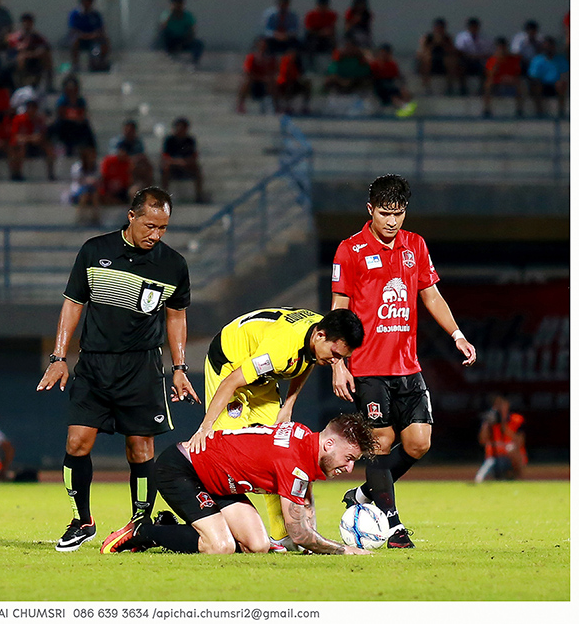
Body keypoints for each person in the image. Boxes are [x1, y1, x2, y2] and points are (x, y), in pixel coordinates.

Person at [36, 187, 198, 552]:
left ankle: (140, 524)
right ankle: (82, 520)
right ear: (132, 216)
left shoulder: (173, 264)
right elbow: (73, 304)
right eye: (150, 226)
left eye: (163, 228)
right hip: (94, 363)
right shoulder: (95, 251)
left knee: (140, 449)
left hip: (142, 367)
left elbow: (176, 317)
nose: (156, 234)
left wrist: (179, 367)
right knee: (76, 443)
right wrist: (59, 357)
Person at [331, 173, 477, 549]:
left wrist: (457, 335)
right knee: (380, 442)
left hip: (407, 367)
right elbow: (339, 309)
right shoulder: (350, 250)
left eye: (398, 213)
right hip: (368, 368)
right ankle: (392, 525)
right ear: (370, 210)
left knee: (418, 444)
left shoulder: (415, 245)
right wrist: (338, 362)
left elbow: (431, 295)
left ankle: (364, 494)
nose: (392, 221)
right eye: (385, 213)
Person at [183, 306, 364, 550]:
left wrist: (289, 404)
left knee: (277, 453)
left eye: (341, 357)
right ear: (320, 336)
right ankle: (214, 529)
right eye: (334, 355)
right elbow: (232, 381)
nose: (335, 361)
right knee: (224, 455)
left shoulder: (319, 334)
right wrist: (205, 427)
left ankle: (282, 537)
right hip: (230, 365)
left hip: (263, 378)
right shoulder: (281, 348)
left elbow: (306, 360)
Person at [100, 414, 378, 556]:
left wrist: (312, 539)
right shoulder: (293, 460)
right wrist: (342, 549)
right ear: (328, 444)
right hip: (182, 468)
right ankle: (146, 531)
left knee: (258, 545)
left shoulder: (306, 439)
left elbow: (304, 496)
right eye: (349, 458)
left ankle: (172, 528)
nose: (349, 468)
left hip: (220, 482)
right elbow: (300, 534)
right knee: (219, 546)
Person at [474, 395, 527, 483]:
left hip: (511, 458)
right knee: (480, 479)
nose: (499, 407)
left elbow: (520, 442)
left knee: (512, 449)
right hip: (493, 459)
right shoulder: (490, 422)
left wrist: (503, 425)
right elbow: (482, 441)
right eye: (496, 405)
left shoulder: (516, 419)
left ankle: (518, 478)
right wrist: (486, 424)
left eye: (501, 404)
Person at [9, 99, 55, 181]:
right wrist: (30, 138)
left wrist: (38, 138)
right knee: (21, 146)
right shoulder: (18, 119)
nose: (32, 110)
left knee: (49, 147)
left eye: (34, 108)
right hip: (23, 144)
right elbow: (15, 136)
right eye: (30, 108)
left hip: (36, 144)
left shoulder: (39, 120)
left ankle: (51, 173)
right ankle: (17, 173)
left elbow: (43, 134)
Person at [160, 118, 204, 203]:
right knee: (165, 167)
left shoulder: (190, 140)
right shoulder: (169, 140)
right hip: (172, 165)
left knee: (197, 169)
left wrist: (184, 162)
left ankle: (199, 195)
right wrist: (178, 162)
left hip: (186, 165)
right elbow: (165, 156)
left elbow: (193, 156)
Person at [6, 12, 54, 91]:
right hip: (18, 58)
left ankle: (49, 84)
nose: (27, 24)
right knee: (22, 57)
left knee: (45, 55)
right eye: (25, 22)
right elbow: (17, 47)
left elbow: (46, 46)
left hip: (33, 56)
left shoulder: (36, 35)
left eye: (29, 22)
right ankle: (20, 84)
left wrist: (36, 51)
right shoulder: (16, 35)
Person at [370, 44, 417, 117]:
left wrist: (402, 88)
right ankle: (404, 107)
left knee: (403, 92)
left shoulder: (392, 64)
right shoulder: (374, 64)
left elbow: (397, 77)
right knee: (392, 95)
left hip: (390, 84)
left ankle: (406, 107)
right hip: (380, 87)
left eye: (386, 53)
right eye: (382, 53)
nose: (384, 55)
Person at [68, 0, 110, 71]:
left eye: (88, 1)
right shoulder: (75, 14)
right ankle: (75, 64)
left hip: (93, 39)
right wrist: (84, 36)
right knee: (74, 41)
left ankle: (100, 63)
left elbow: (100, 29)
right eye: (85, 1)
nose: (86, 4)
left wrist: (93, 35)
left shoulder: (95, 15)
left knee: (104, 41)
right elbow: (73, 29)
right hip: (80, 39)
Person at [527, 38, 569, 118]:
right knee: (536, 86)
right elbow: (533, 75)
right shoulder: (537, 60)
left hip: (556, 85)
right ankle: (539, 111)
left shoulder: (561, 59)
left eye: (550, 46)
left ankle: (561, 111)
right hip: (542, 85)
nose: (548, 48)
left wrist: (561, 81)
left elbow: (565, 73)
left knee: (561, 85)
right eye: (546, 46)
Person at [482, 37, 523, 118]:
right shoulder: (492, 59)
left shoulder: (513, 58)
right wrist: (497, 62)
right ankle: (487, 109)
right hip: (496, 80)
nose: (502, 49)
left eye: (503, 47)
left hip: (510, 80)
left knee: (520, 85)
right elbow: (489, 74)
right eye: (500, 47)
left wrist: (509, 78)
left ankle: (519, 109)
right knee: (487, 85)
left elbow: (517, 72)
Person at [159, 0, 203, 67]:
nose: (178, 6)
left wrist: (187, 39)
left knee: (198, 44)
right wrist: (171, 15)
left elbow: (192, 29)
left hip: (183, 39)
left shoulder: (188, 16)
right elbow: (162, 27)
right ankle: (168, 55)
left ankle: (195, 62)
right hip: (170, 40)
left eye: (180, 4)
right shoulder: (166, 14)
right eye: (176, 4)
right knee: (163, 35)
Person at [416, 18, 458, 95]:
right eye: (438, 28)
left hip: (443, 59)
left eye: (441, 28)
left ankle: (450, 86)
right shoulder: (427, 37)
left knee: (451, 61)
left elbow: (452, 50)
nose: (439, 30)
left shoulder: (447, 38)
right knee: (426, 60)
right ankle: (426, 86)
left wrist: (443, 43)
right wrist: (434, 44)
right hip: (430, 59)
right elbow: (422, 50)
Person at [236, 37, 277, 113]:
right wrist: (260, 78)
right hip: (254, 82)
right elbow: (247, 72)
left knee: (272, 82)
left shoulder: (271, 59)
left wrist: (266, 78)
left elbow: (273, 72)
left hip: (265, 82)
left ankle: (275, 105)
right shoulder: (251, 57)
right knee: (246, 81)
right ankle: (240, 104)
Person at [454, 17, 494, 95]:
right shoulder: (461, 37)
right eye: (472, 26)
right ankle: (463, 88)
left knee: (490, 65)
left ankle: (483, 89)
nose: (473, 28)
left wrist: (478, 57)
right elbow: (459, 51)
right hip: (466, 60)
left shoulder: (485, 37)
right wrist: (470, 56)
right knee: (460, 67)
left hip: (480, 60)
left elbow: (489, 52)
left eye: (475, 26)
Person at [302, 0, 337, 68]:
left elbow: (332, 29)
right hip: (314, 37)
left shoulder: (331, 15)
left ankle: (333, 66)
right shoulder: (310, 15)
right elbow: (309, 30)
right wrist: (320, 32)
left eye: (325, 5)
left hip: (326, 38)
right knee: (311, 45)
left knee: (333, 45)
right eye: (321, 5)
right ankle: (310, 66)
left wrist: (328, 33)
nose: (323, 8)